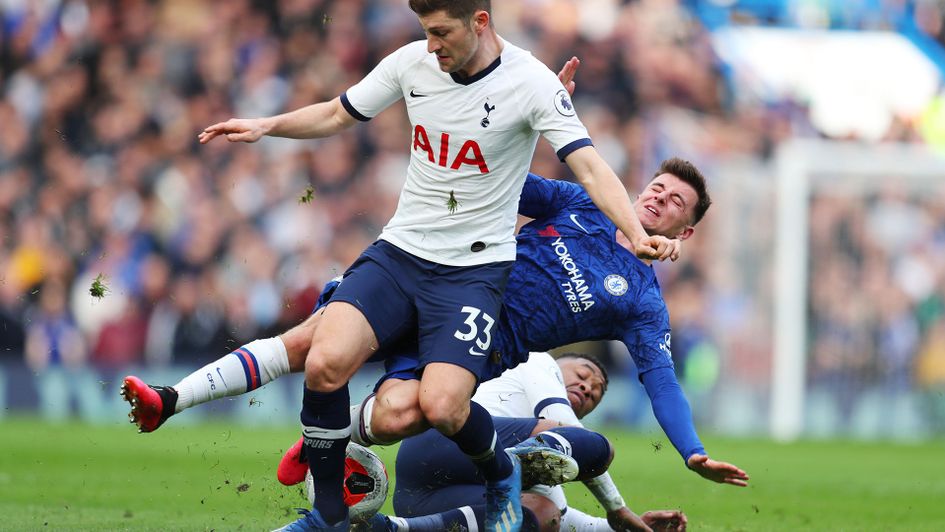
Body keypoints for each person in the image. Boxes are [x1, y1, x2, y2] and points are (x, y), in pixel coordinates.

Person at [134, 1, 679, 530]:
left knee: (439, 406)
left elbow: (589, 166)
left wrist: (635, 235)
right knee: (324, 359)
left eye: (441, 31)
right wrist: (266, 125)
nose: (431, 43)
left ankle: (498, 471)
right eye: (425, 30)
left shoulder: (532, 83)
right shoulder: (410, 61)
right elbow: (335, 112)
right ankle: (323, 514)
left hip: (471, 274)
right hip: (401, 252)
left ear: (480, 22)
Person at [124, 156, 746, 527]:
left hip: (477, 340)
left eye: (675, 203)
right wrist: (530, 116)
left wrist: (691, 452)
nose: (659, 197)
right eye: (658, 186)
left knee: (400, 413)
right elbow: (502, 180)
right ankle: (170, 400)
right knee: (311, 343)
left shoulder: (641, 300)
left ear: (683, 233)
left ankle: (333, 456)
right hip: (446, 279)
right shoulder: (582, 202)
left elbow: (661, 381)